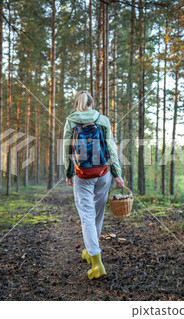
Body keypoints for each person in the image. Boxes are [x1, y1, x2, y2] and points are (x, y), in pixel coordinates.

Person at [62, 90, 124, 280]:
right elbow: (111, 147)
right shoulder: (102, 119)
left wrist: (68, 171)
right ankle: (91, 251)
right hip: (103, 172)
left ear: (77, 104)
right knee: (97, 214)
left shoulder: (72, 120)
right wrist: (117, 174)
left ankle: (96, 263)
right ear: (92, 103)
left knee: (87, 216)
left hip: (82, 175)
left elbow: (66, 147)